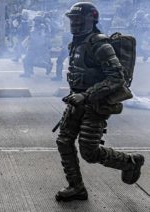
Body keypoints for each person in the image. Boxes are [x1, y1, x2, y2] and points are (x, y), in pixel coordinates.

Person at [54, 2, 144, 202]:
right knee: (64, 141)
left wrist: (85, 96)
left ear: (91, 19)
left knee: (89, 152)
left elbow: (116, 78)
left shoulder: (100, 45)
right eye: (72, 19)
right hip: (77, 102)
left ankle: (130, 163)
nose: (74, 24)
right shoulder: (76, 43)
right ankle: (76, 187)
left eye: (78, 19)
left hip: (95, 105)